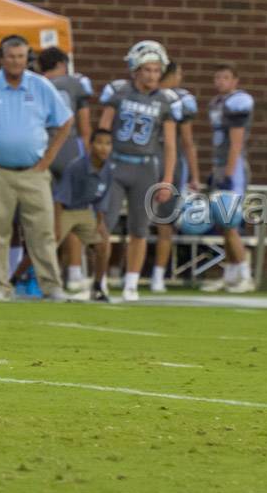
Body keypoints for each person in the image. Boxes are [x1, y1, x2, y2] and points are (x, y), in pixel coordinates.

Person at [0, 35, 74, 301]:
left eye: (20, 56)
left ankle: (51, 284)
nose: (16, 61)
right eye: (10, 56)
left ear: (27, 59)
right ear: (1, 58)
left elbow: (65, 121)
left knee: (42, 230)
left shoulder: (41, 86)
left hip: (34, 170)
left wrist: (48, 158)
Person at [97, 41, 179, 302]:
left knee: (139, 229)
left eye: (157, 70)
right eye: (147, 69)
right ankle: (99, 280)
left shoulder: (165, 102)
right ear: (135, 69)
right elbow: (103, 132)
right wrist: (98, 167)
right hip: (117, 164)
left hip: (145, 168)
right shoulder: (119, 94)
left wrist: (167, 179)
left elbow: (170, 146)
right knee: (103, 225)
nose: (153, 75)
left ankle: (131, 284)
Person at [37, 46, 93, 292]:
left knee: (41, 216)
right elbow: (84, 124)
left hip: (42, 149)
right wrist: (89, 156)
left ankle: (41, 272)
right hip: (69, 148)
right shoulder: (75, 83)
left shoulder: (35, 83)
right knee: (72, 213)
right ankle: (73, 272)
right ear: (62, 63)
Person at [201, 64, 256, 294]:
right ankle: (231, 274)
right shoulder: (217, 103)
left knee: (230, 223)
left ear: (235, 81)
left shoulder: (238, 102)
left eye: (225, 77)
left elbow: (236, 142)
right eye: (217, 77)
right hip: (221, 166)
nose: (220, 81)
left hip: (233, 169)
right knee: (224, 225)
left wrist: (229, 174)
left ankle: (245, 275)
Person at [150, 58, 200, 293]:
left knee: (163, 221)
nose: (181, 78)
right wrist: (195, 173)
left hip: (164, 163)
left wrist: (193, 175)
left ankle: (158, 274)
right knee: (154, 222)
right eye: (178, 73)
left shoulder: (179, 100)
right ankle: (150, 275)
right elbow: (188, 143)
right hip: (152, 161)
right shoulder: (148, 96)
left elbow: (186, 141)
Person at [54, 128, 115, 302]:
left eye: (108, 144)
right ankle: (21, 278)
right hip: (66, 210)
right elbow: (59, 198)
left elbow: (101, 200)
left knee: (103, 244)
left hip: (86, 211)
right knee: (46, 245)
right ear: (90, 145)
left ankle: (97, 286)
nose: (104, 148)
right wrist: (56, 225)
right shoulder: (76, 166)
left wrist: (100, 223)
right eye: (99, 143)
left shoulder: (108, 170)